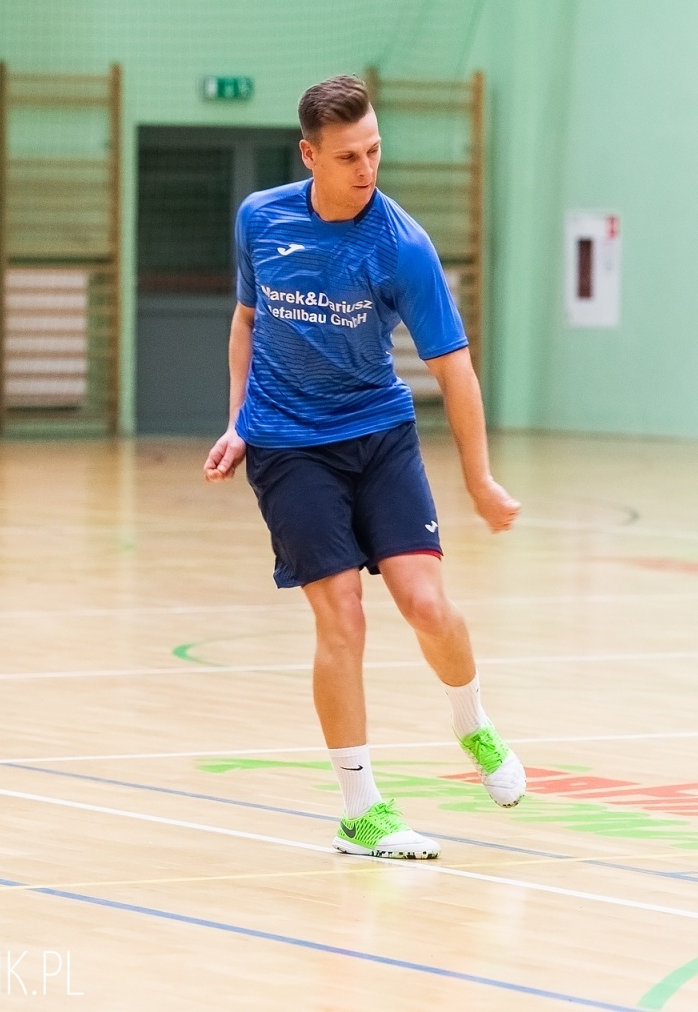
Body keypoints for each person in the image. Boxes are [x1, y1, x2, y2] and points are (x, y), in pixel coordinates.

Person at [204, 74, 524, 860]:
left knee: (426, 605)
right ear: (310, 154)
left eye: (375, 150)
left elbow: (455, 371)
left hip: (378, 434)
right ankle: (360, 810)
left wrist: (480, 480)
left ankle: (472, 722)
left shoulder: (401, 245)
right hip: (287, 444)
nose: (367, 167)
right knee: (341, 614)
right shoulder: (261, 219)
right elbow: (246, 323)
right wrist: (240, 420)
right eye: (349, 155)